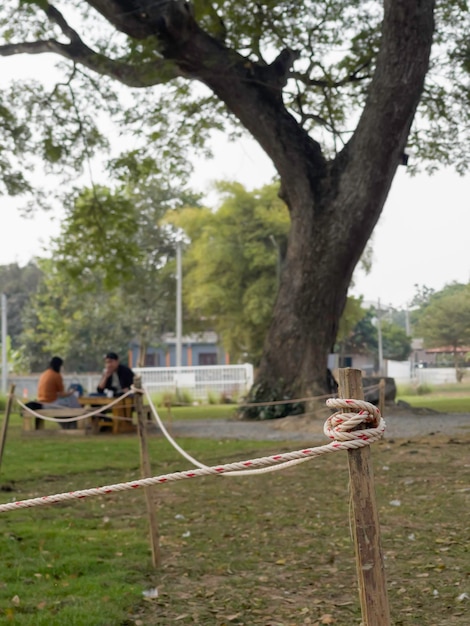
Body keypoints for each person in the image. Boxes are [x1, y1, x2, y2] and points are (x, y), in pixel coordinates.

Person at [36, 356, 81, 428]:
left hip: (41, 402)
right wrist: (71, 392)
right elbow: (62, 394)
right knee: (72, 398)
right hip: (50, 403)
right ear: (59, 366)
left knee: (65, 407)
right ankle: (79, 415)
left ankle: (70, 425)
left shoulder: (44, 374)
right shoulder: (56, 375)